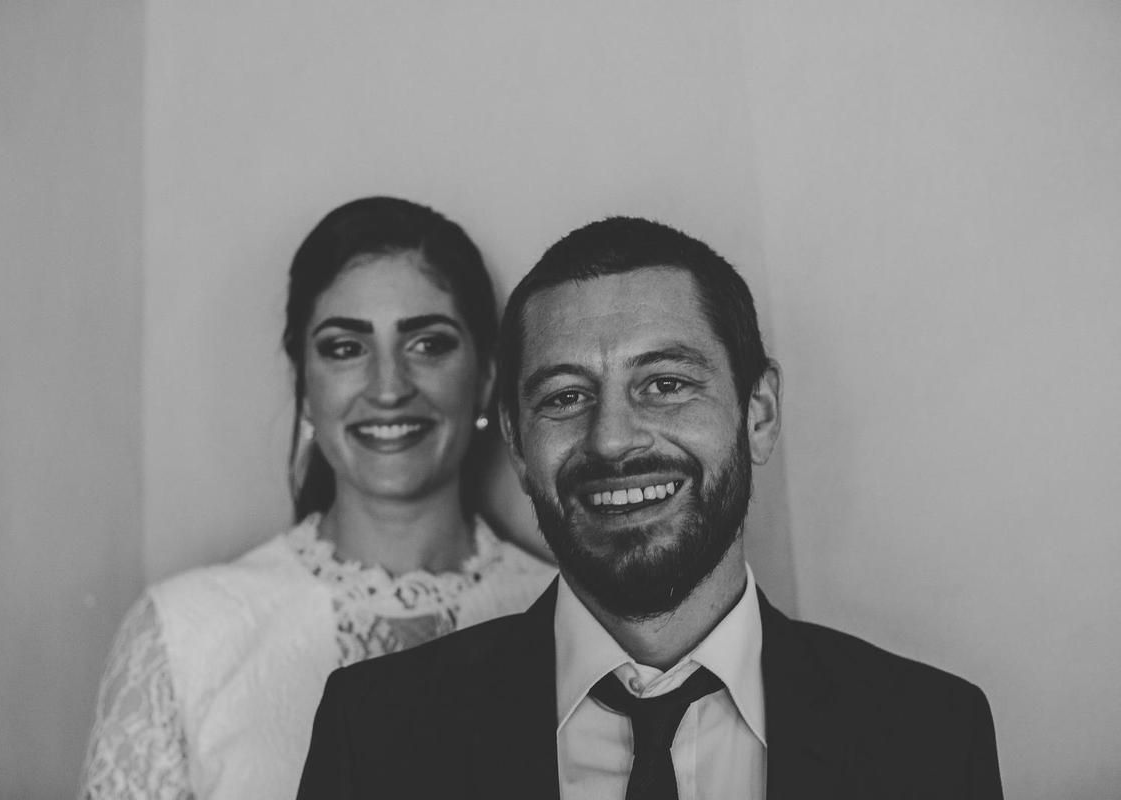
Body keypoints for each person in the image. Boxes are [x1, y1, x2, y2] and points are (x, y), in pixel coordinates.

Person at [296, 216, 1003, 800]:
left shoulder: (932, 737)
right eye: (566, 397)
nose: (612, 440)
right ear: (516, 444)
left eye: (665, 384)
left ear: (759, 413)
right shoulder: (376, 734)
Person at [79, 197, 554, 799]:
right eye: (345, 348)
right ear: (304, 382)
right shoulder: (183, 637)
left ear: (485, 377)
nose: (388, 388)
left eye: (428, 344)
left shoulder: (567, 618)